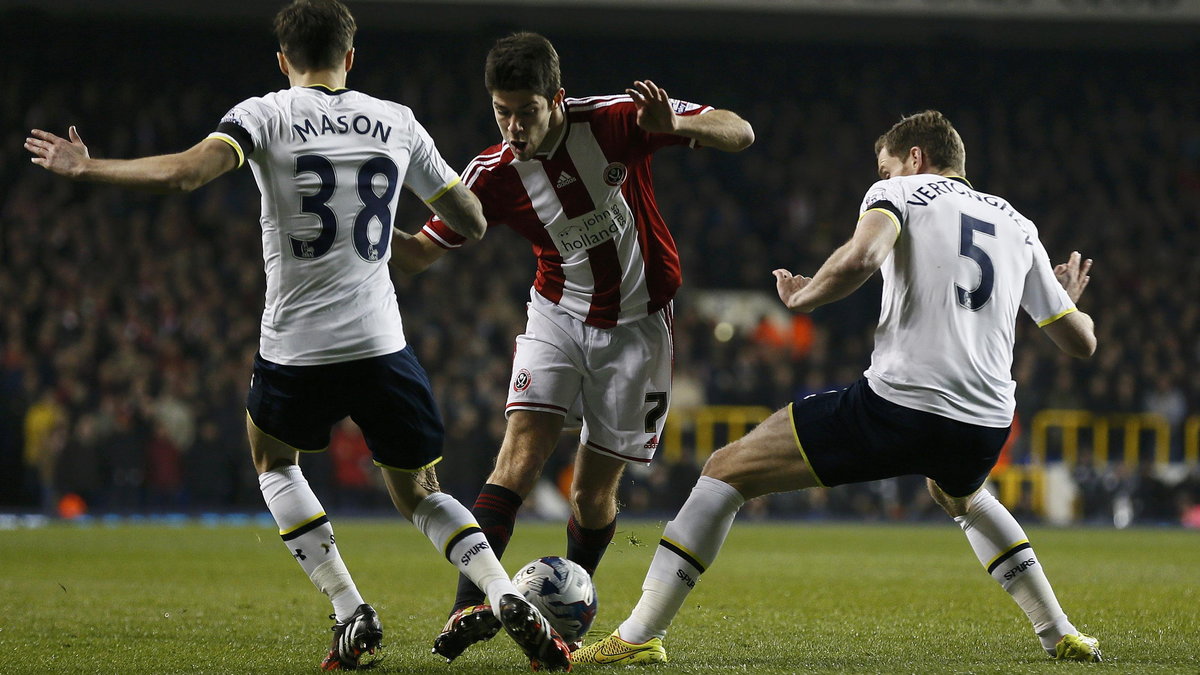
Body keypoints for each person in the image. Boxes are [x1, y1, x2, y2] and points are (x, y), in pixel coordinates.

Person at [25, 1, 571, 671]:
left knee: (275, 460)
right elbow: (472, 217)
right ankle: (498, 588)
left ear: (284, 61)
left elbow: (187, 173)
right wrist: (389, 241)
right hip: (380, 342)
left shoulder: (264, 113)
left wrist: (89, 168)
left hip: (297, 347)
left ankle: (351, 608)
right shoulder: (397, 120)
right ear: (350, 56)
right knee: (421, 490)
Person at [574, 110, 1103, 665]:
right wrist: (1067, 299)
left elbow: (864, 256)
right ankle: (1058, 632)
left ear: (915, 158)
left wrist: (803, 298)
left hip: (902, 404)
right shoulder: (1018, 225)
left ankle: (636, 636)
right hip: (985, 424)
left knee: (724, 471)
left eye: (886, 164)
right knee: (960, 495)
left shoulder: (900, 191)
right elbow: (1081, 344)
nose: (882, 174)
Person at [390, 31, 754, 661]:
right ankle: (467, 608)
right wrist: (363, 229)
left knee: (591, 494)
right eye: (501, 112)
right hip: (557, 314)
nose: (512, 127)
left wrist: (677, 126)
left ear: (556, 99)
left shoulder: (616, 121)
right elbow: (421, 252)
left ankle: (564, 623)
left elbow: (739, 130)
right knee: (519, 457)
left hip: (640, 327)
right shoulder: (494, 174)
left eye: (525, 112)